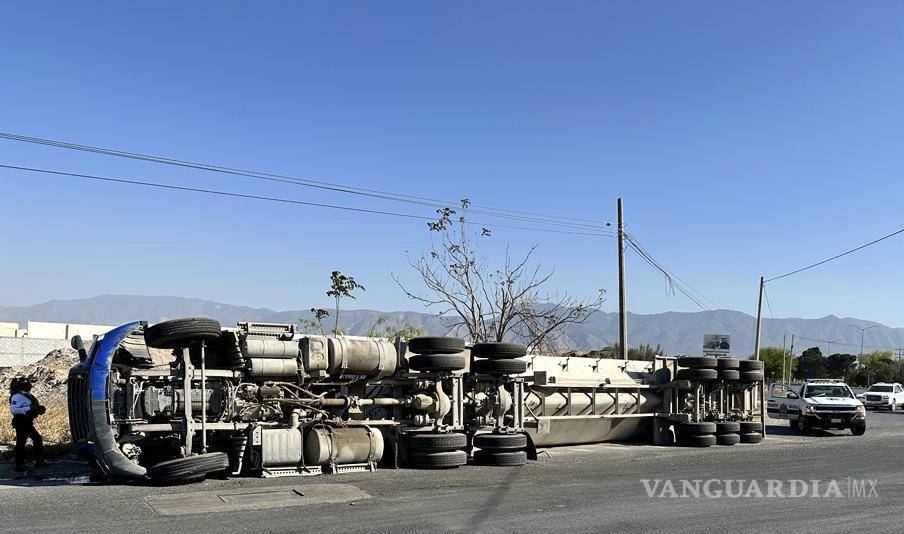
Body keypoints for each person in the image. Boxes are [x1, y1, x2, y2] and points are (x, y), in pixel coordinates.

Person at [9, 377, 47, 473]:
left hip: (27, 422)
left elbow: (32, 405)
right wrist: (28, 408)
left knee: (35, 439)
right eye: (26, 383)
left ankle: (38, 461)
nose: (29, 385)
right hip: (21, 422)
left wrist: (38, 409)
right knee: (22, 443)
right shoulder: (17, 396)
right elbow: (13, 409)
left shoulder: (26, 394)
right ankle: (20, 466)